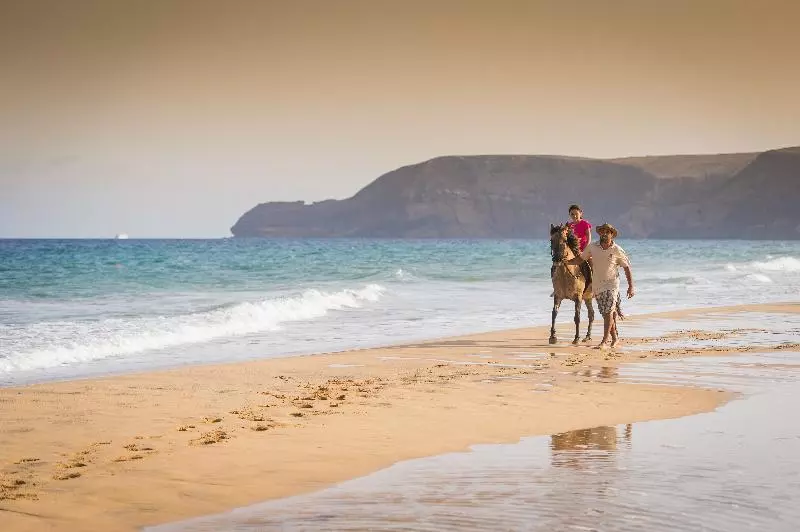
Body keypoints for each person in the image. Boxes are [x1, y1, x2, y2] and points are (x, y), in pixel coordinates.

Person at [570, 223, 634, 349]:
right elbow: (580, 259)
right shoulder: (592, 247)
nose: (604, 233)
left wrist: (631, 286)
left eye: (607, 232)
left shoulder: (617, 249)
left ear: (612, 234)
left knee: (609, 312)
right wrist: (566, 262)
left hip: (612, 284)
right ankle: (615, 338)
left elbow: (626, 267)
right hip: (597, 286)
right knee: (606, 313)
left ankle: (604, 341)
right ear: (599, 233)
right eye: (602, 231)